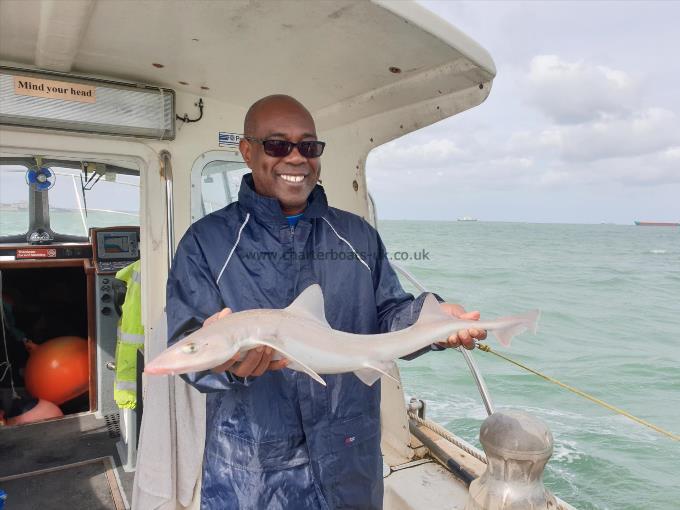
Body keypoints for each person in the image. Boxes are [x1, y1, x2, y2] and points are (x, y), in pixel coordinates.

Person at [166, 95, 487, 509]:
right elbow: (188, 344)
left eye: (309, 146)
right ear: (247, 151)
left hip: (348, 455)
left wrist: (434, 319)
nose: (296, 158)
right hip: (253, 469)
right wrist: (227, 368)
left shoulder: (356, 235)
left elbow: (389, 313)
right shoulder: (207, 242)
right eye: (278, 145)